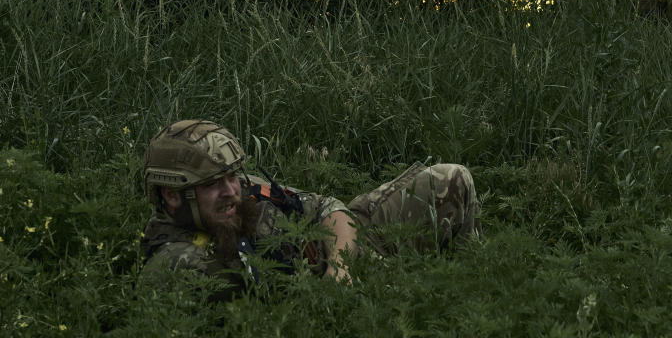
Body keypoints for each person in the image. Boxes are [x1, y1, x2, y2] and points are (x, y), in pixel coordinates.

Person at [139, 119, 479, 297]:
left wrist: (340, 270)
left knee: (451, 178)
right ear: (172, 196)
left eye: (232, 176)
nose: (231, 190)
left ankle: (475, 277)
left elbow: (329, 207)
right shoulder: (177, 264)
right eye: (214, 183)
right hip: (324, 293)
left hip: (343, 249)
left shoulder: (239, 190)